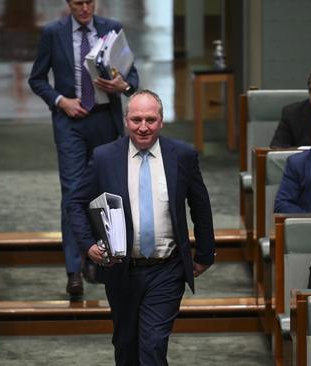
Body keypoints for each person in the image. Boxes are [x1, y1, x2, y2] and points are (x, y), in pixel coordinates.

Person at [67, 90, 215, 365]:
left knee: (153, 346)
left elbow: (200, 204)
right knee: (126, 347)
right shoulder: (104, 157)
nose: (143, 127)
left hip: (166, 268)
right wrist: (88, 245)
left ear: (161, 121)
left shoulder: (181, 155)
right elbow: (75, 203)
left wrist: (206, 254)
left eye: (150, 119)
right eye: (136, 119)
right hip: (122, 270)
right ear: (126, 121)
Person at [28, 0, 139, 298]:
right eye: (79, 3)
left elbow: (133, 80)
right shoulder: (53, 33)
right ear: (68, 4)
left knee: (107, 190)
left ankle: (103, 259)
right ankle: (73, 269)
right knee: (73, 191)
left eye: (90, 2)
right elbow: (36, 78)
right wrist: (60, 101)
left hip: (106, 120)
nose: (85, 8)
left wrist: (122, 85)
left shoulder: (112, 29)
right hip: (70, 123)